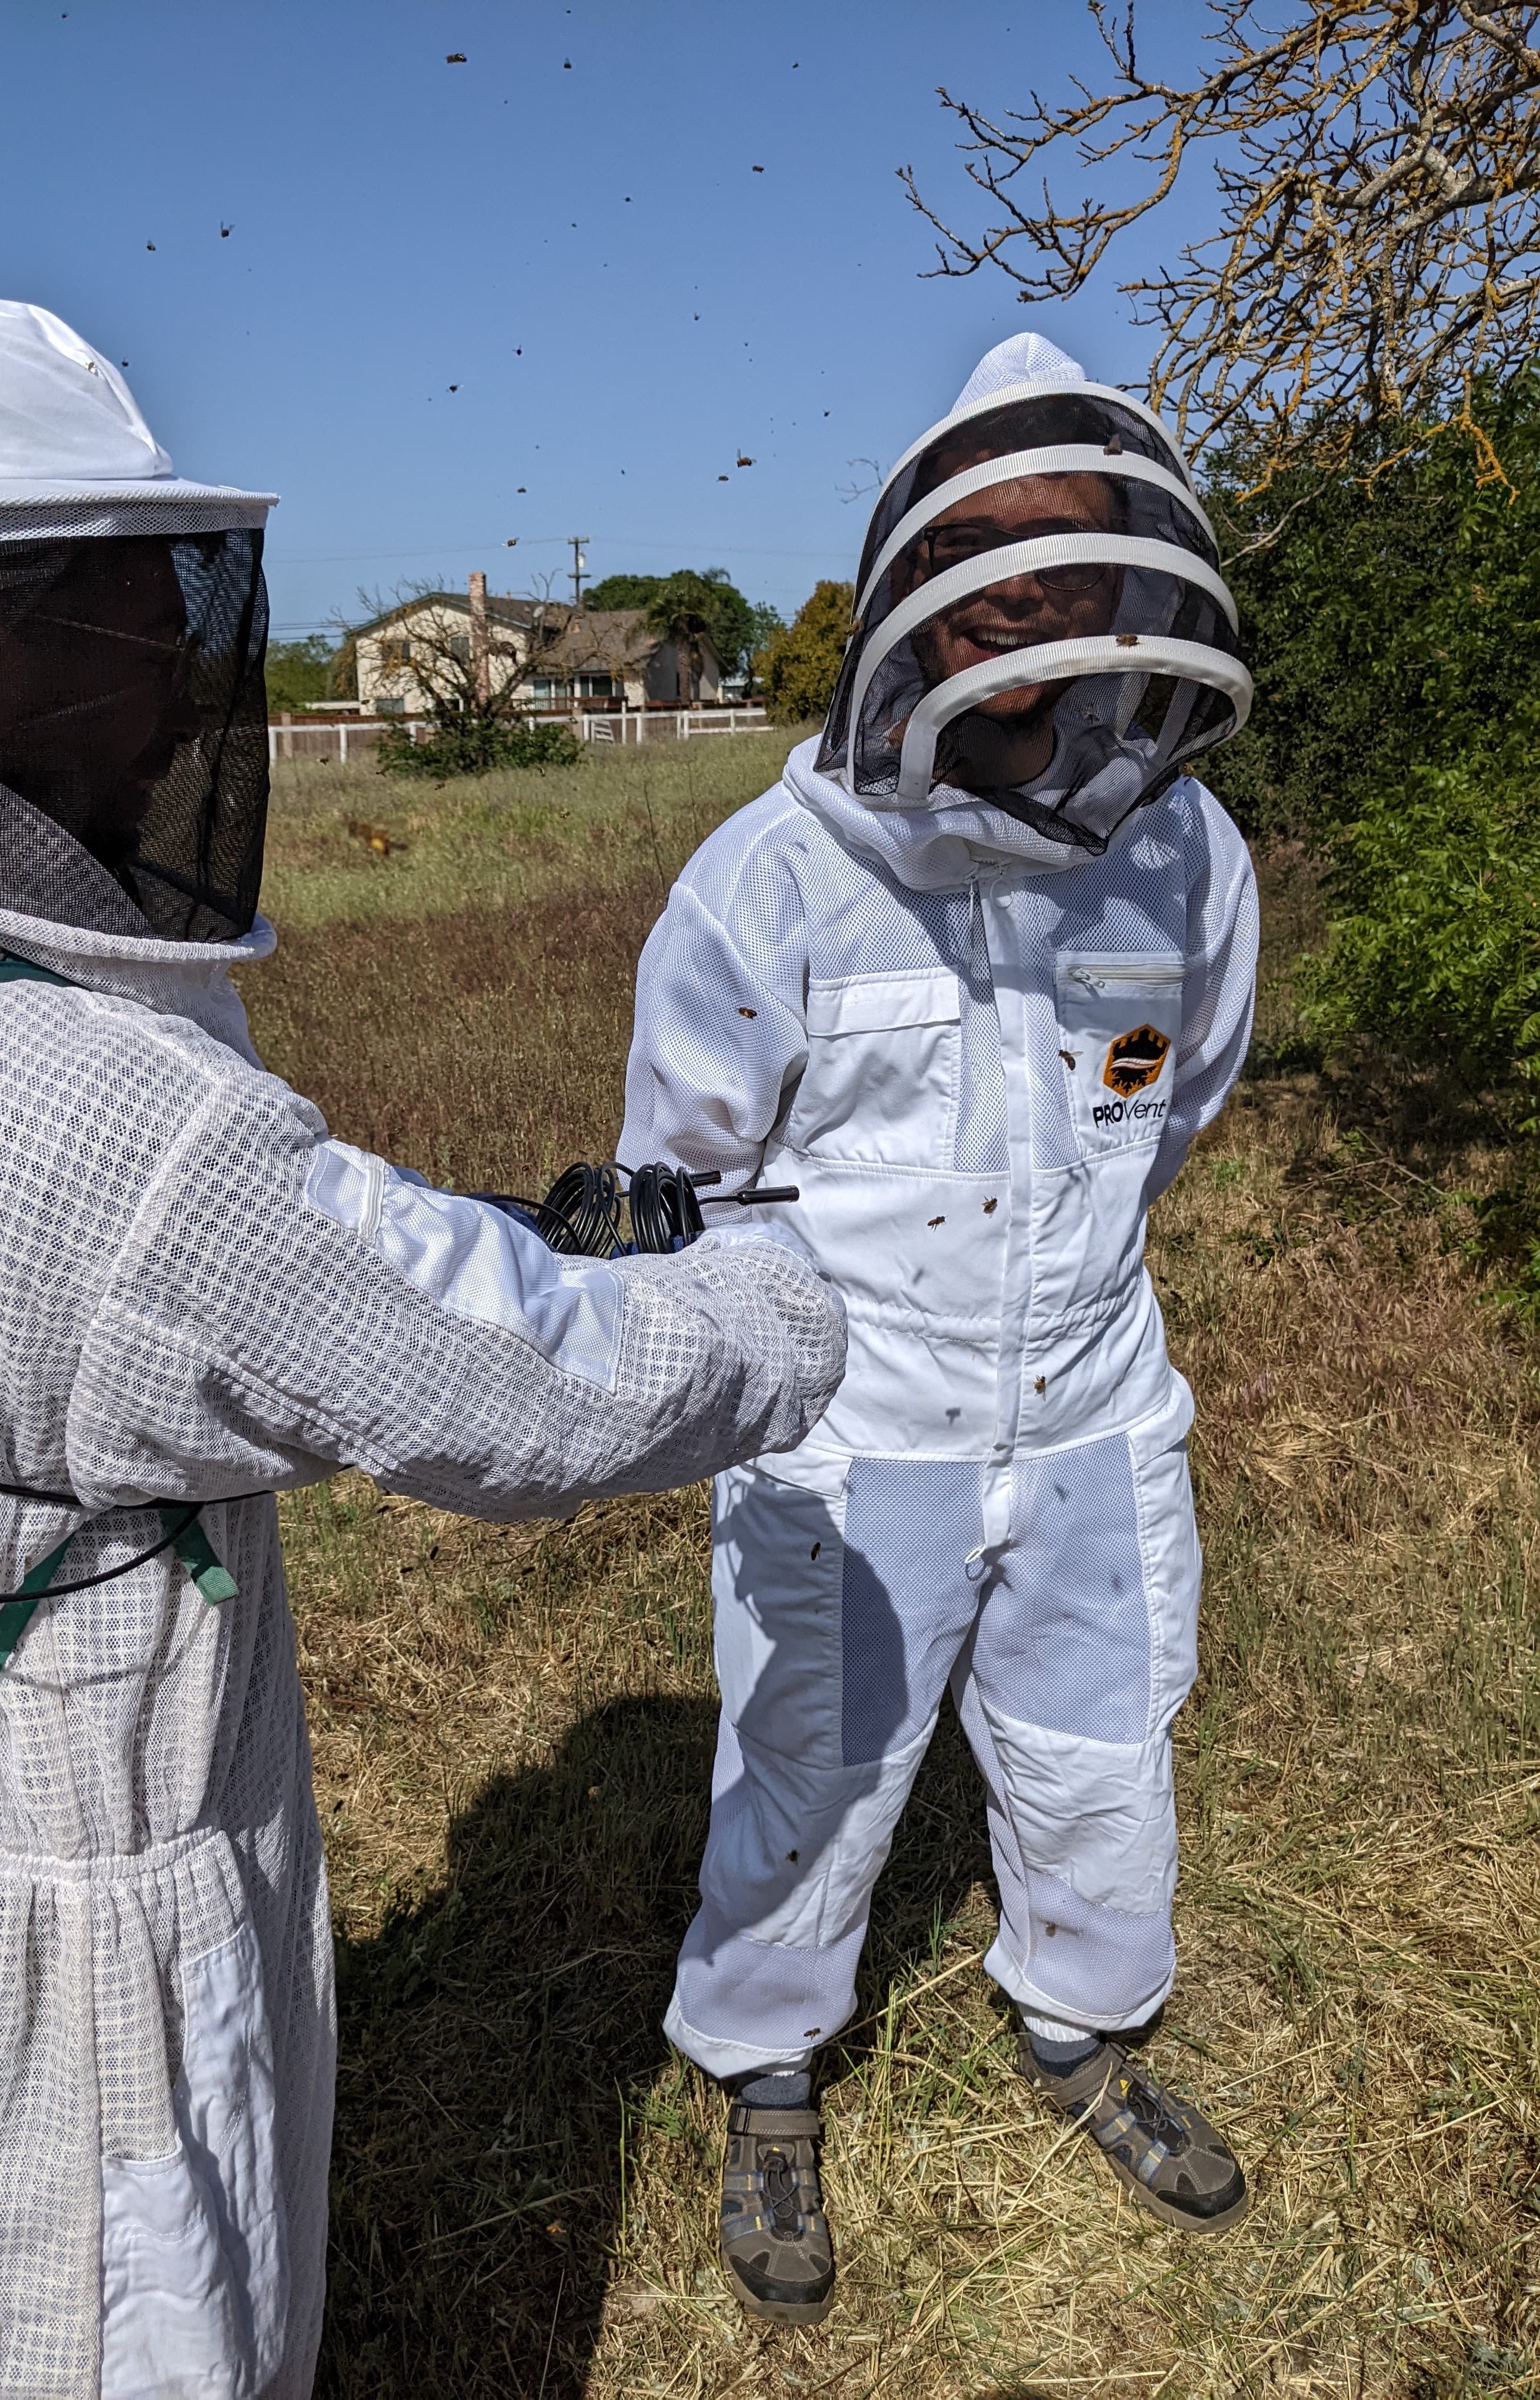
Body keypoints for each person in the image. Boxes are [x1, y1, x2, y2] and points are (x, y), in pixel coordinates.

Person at [0, 293, 847, 2399]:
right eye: (121, 609)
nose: (179, 670)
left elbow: (270, 1274)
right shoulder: (79, 1114)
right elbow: (517, 1387)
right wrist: (803, 1300)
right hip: (69, 1985)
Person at [620, 332, 1259, 2323]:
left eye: (1074, 560)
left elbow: (1178, 1107)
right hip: (854, 1430)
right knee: (811, 1768)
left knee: (1102, 1750)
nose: (1033, 602)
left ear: (1138, 583)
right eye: (997, 557)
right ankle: (767, 2067)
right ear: (916, 584)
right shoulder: (775, 881)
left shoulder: (1186, 853)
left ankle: (1083, 2025)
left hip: (1090, 1410)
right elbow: (687, 1181)